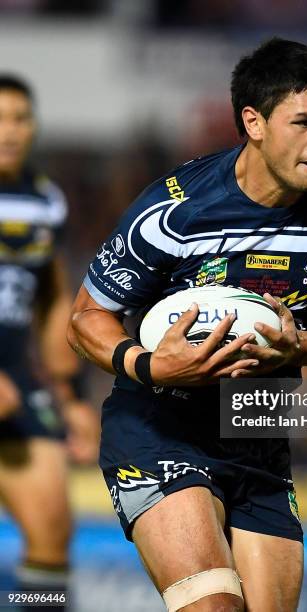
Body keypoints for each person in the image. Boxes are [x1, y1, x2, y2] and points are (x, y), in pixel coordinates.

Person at [68, 38, 307, 611]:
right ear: (253, 121)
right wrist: (148, 363)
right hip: (159, 429)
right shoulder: (174, 213)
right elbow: (86, 316)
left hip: (257, 432)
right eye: (303, 123)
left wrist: (305, 343)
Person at [0, 75, 99, 608]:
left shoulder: (44, 202)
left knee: (52, 534)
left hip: (17, 385)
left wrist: (70, 395)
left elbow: (54, 302)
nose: (10, 131)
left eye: (20, 118)